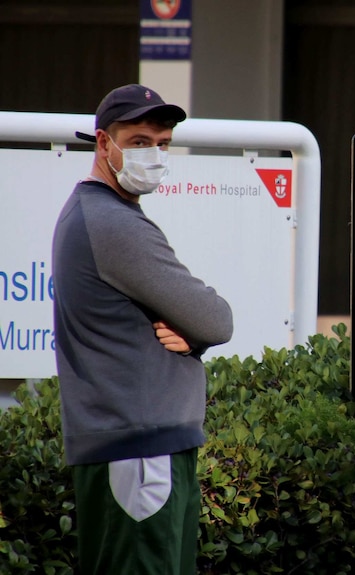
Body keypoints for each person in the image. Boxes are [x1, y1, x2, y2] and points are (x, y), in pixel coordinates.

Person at [52, 84, 234, 575]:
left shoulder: (105, 214)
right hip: (138, 452)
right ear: (103, 143)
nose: (153, 154)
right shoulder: (113, 223)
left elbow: (199, 325)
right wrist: (198, 330)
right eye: (138, 141)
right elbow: (217, 319)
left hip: (141, 447)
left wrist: (191, 334)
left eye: (163, 142)